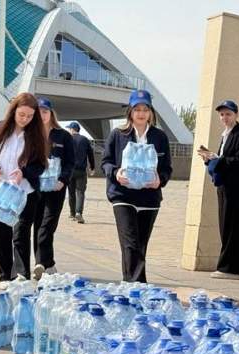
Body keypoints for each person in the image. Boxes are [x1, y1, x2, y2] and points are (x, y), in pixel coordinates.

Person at [101, 90, 172, 283]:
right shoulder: (118, 134)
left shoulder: (160, 137)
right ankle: (139, 286)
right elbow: (106, 162)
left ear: (150, 113)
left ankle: (129, 284)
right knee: (130, 242)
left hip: (149, 198)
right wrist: (116, 173)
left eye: (145, 109)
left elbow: (167, 169)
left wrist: (161, 180)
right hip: (122, 196)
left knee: (140, 246)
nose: (141, 113)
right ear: (130, 112)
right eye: (137, 109)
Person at [0, 92, 48, 289]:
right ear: (13, 111)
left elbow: (41, 165)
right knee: (1, 233)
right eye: (22, 115)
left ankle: (21, 274)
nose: (25, 119)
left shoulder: (36, 136)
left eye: (29, 116)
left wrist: (24, 172)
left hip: (24, 192)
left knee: (21, 232)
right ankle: (5, 275)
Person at [197, 100, 239, 280]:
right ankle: (236, 267)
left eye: (228, 114)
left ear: (236, 115)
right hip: (225, 184)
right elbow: (225, 158)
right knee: (228, 225)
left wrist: (218, 160)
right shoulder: (226, 135)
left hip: (234, 186)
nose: (224, 117)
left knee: (230, 225)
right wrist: (210, 159)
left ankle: (228, 268)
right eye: (222, 114)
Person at [30, 97, 74, 280]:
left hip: (56, 188)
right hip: (37, 187)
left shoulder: (63, 135)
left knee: (48, 224)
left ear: (51, 113)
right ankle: (44, 263)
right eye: (39, 112)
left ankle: (43, 262)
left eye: (45, 111)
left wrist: (63, 180)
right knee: (38, 224)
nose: (42, 115)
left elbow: (70, 162)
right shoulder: (30, 135)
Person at [67, 122, 95, 224]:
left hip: (70, 170)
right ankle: (79, 212)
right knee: (80, 192)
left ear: (72, 129)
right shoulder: (85, 139)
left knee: (71, 192)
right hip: (81, 170)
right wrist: (92, 167)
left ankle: (72, 213)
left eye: (69, 129)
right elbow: (90, 154)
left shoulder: (68, 139)